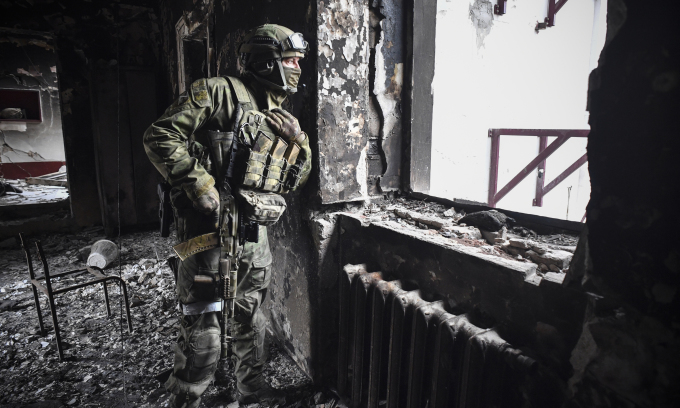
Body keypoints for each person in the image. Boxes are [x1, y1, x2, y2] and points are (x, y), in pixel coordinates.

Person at [143, 24, 312, 408]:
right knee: (203, 328)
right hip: (208, 238)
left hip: (253, 239)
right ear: (266, 61)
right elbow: (160, 135)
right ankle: (186, 396)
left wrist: (298, 140)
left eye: (298, 61)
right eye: (290, 60)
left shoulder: (278, 114)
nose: (297, 68)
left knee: (250, 319)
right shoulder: (217, 92)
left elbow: (294, 180)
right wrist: (200, 184)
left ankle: (251, 392)